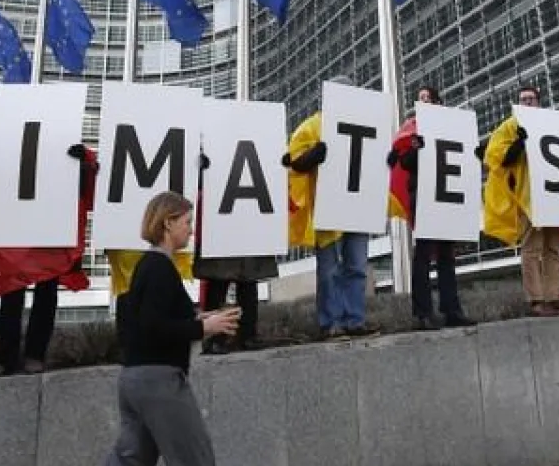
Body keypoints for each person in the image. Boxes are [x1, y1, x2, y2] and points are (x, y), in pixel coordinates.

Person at [17, 192, 256, 466]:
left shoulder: (145, 269)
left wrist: (201, 322)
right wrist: (206, 327)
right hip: (161, 385)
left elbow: (140, 324)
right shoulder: (160, 267)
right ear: (167, 223)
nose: (190, 229)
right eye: (186, 221)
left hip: (136, 381)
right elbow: (156, 326)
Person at [0, 144, 99, 376]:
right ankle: (4, 357)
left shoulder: (67, 140)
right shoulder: (12, 136)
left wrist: (85, 166)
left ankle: (34, 354)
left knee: (46, 291)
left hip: (52, 222)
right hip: (20, 219)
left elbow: (92, 188)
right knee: (11, 290)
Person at [284, 81, 376, 338]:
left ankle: (354, 321)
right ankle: (331, 323)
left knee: (357, 266)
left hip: (357, 208)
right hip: (328, 210)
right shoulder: (313, 125)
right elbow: (293, 161)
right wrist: (313, 155)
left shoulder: (365, 123)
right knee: (330, 271)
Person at [481, 84, 559, 317]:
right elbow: (498, 159)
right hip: (527, 197)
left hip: (552, 195)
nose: (527, 103)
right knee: (532, 249)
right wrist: (519, 143)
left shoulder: (550, 123)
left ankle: (553, 297)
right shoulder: (509, 127)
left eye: (531, 99)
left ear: (538, 101)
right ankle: (536, 300)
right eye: (523, 99)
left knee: (552, 248)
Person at [387, 85, 471, 329]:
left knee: (446, 255)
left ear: (437, 102)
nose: (422, 101)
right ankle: (423, 313)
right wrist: (416, 147)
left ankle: (451, 310)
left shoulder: (448, 127)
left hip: (444, 196)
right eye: (420, 97)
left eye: (427, 97)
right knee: (423, 255)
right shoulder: (412, 129)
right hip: (423, 198)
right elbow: (404, 163)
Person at [194, 152, 277, 353]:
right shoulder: (211, 138)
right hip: (222, 216)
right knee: (218, 281)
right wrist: (201, 167)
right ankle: (214, 338)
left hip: (249, 214)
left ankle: (248, 335)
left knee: (248, 282)